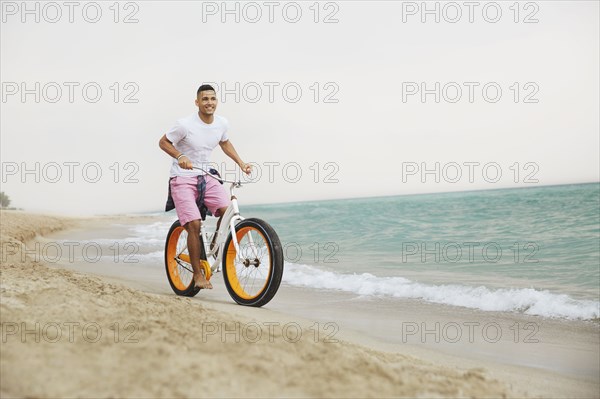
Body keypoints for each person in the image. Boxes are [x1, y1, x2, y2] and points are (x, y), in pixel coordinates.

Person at [159, 84, 252, 289]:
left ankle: (213, 247)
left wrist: (242, 163)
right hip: (182, 177)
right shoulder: (184, 125)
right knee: (194, 224)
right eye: (205, 99)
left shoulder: (221, 123)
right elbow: (163, 142)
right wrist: (180, 156)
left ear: (216, 101)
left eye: (212, 99)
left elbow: (225, 144)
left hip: (206, 174)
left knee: (227, 212)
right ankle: (198, 274)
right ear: (197, 102)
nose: (209, 102)